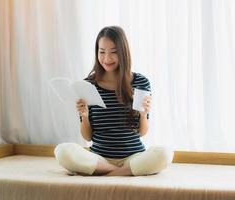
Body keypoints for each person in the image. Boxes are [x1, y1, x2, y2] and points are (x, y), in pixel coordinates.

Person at [54, 26, 172, 176]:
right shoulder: (88, 85)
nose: (107, 58)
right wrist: (84, 116)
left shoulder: (141, 82)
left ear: (123, 53)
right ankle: (120, 172)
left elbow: (142, 132)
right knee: (62, 151)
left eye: (114, 52)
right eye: (102, 52)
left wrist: (144, 114)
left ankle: (108, 173)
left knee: (165, 153)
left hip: (133, 156)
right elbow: (87, 137)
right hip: (99, 157)